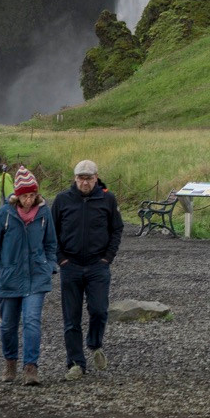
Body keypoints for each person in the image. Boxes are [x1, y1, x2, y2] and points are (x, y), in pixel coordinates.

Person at [0, 166, 57, 387]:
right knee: (7, 325)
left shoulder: (44, 213)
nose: (29, 200)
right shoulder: (3, 214)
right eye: (25, 195)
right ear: (17, 195)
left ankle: (31, 367)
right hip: (9, 277)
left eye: (32, 195)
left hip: (37, 276)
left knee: (32, 321)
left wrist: (50, 265)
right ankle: (10, 363)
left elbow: (51, 243)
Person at [54, 160, 123, 380]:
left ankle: (95, 344)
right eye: (81, 178)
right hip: (70, 266)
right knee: (71, 318)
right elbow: (51, 232)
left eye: (89, 178)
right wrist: (61, 259)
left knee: (100, 310)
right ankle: (75, 363)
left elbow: (117, 229)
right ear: (75, 178)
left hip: (97, 265)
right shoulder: (62, 200)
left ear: (96, 177)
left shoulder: (107, 199)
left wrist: (107, 258)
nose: (85, 182)